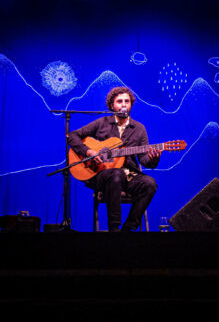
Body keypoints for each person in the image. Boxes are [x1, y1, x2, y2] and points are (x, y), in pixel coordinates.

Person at [68, 86, 161, 232]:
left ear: (131, 104)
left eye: (127, 101)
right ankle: (114, 229)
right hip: (101, 176)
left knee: (150, 184)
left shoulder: (139, 128)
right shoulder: (102, 123)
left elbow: (144, 160)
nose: (123, 104)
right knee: (116, 174)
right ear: (112, 105)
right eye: (119, 101)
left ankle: (128, 229)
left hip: (128, 175)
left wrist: (154, 158)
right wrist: (88, 152)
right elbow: (72, 136)